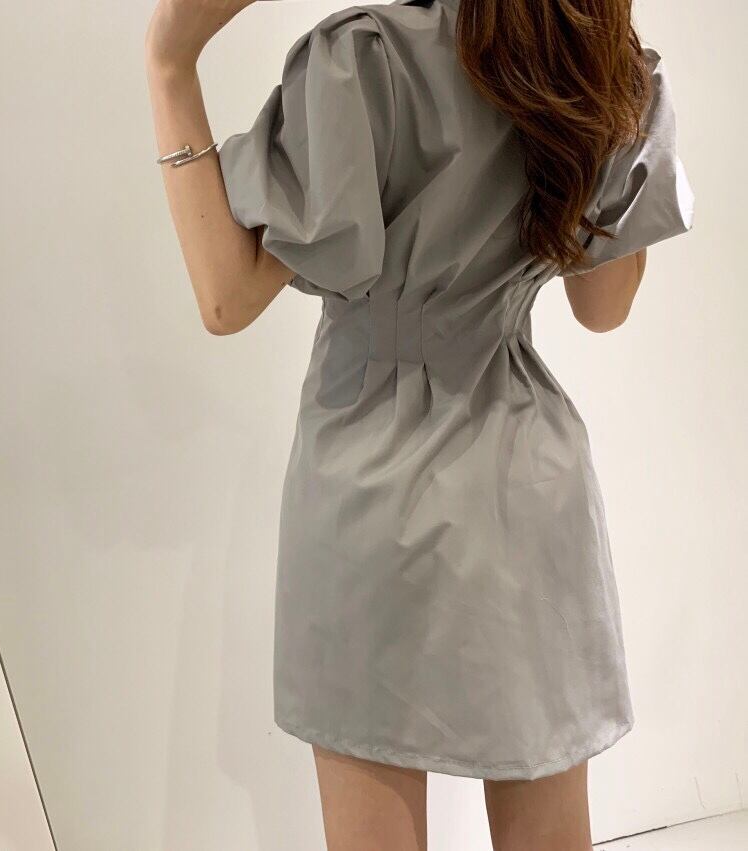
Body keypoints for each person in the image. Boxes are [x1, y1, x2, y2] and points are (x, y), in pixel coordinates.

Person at [144, 0, 694, 847]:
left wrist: (171, 62)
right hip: (526, 477)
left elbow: (227, 296)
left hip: (370, 484)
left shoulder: (361, 61)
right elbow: (603, 308)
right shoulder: (604, 69)